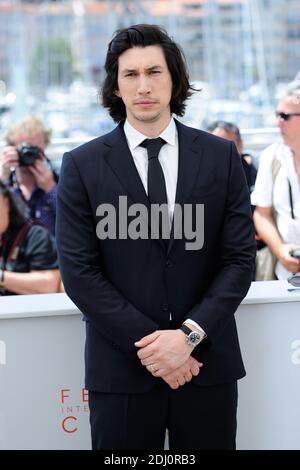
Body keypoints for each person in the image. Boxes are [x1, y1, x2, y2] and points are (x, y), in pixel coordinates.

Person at [56, 24, 256, 450]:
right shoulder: (81, 165)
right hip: (122, 373)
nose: (143, 86)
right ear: (115, 87)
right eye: (130, 74)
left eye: (154, 72)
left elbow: (239, 260)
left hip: (205, 367)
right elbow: (79, 273)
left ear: (174, 79)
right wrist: (155, 350)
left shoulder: (221, 157)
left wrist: (187, 339)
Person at [251, 81, 300, 280]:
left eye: (285, 116)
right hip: (288, 276)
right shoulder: (272, 156)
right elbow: (262, 214)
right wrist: (280, 250)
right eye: (277, 115)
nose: (278, 122)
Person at [0, 180, 60, 295]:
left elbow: (49, 284)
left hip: (27, 311)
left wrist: (2, 278)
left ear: (7, 202)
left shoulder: (35, 235)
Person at [0, 116, 58, 235]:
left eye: (35, 149)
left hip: (51, 252)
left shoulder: (61, 181)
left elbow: (73, 219)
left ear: (44, 149)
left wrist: (51, 189)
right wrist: (2, 179)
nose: (29, 155)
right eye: (25, 149)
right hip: (15, 252)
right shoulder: (6, 185)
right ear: (12, 149)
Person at [207, 120, 257, 193]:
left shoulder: (257, 172)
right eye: (214, 146)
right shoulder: (197, 177)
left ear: (241, 145)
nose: (221, 153)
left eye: (227, 146)